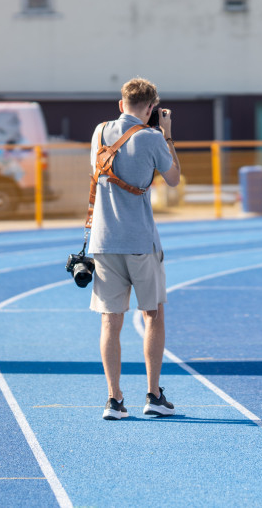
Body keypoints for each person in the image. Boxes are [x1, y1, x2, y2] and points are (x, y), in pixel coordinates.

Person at [88, 78, 180, 421]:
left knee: (110, 323)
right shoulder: (152, 137)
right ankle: (153, 395)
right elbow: (173, 178)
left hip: (104, 241)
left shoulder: (99, 133)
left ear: (120, 103)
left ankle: (114, 399)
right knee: (153, 315)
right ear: (152, 107)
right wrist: (167, 134)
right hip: (140, 240)